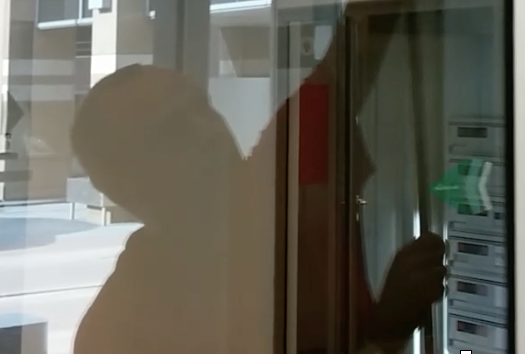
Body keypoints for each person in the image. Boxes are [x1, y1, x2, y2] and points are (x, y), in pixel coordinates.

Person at [70, 61, 444, 353]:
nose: (210, 132)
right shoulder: (117, 332)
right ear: (121, 183)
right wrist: (386, 335)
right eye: (173, 130)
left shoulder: (273, 195)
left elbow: (349, 63)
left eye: (203, 107)